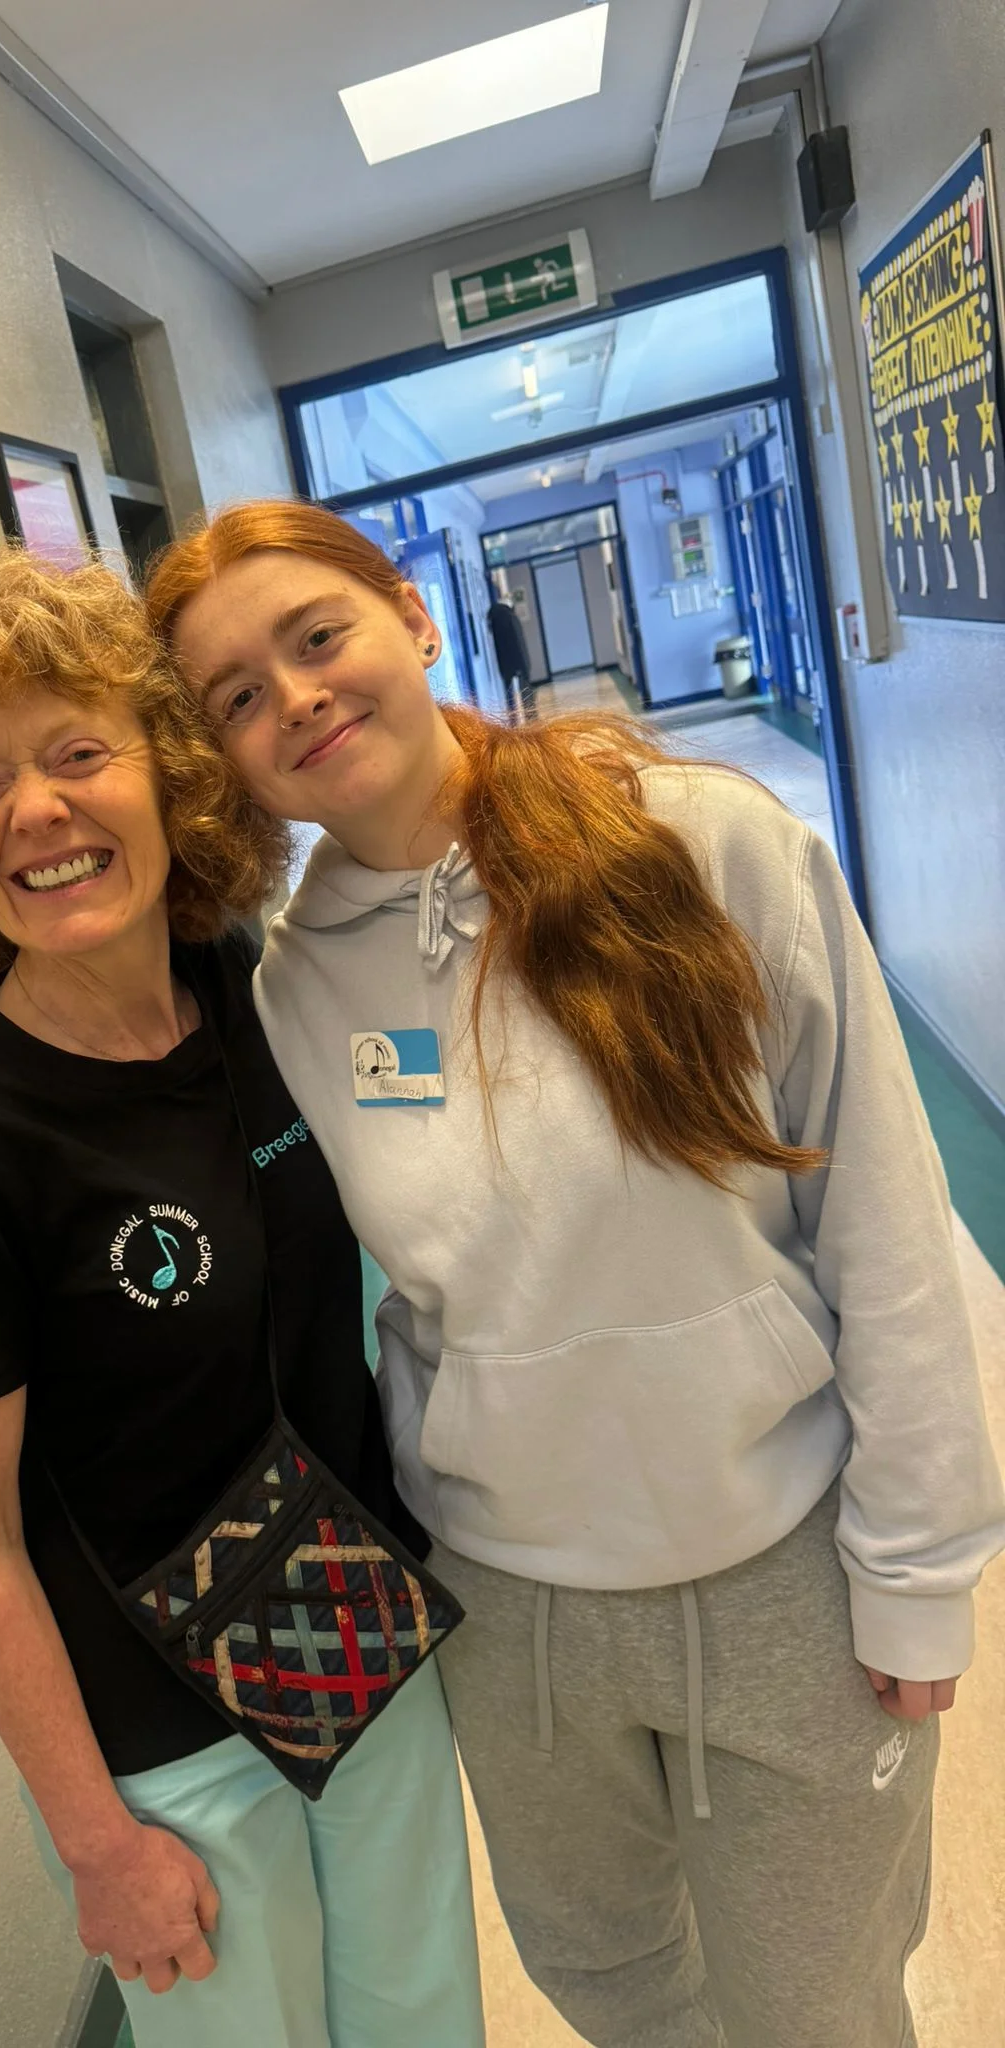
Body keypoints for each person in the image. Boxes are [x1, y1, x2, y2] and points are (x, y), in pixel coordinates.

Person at [146, 500, 1005, 2048]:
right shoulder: (288, 989)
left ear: (413, 618)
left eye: (318, 637)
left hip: (784, 1568)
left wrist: (919, 1571)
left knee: (818, 2008)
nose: (298, 699)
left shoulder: (699, 843)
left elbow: (882, 1215)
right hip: (514, 1607)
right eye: (238, 696)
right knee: (613, 1987)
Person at [0, 549, 482, 2048]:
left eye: (79, 755)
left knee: (424, 2025)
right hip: (166, 1747)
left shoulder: (244, 986)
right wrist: (96, 1845)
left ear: (171, 777)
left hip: (355, 1637)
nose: (38, 811)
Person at [484, 590, 533, 720]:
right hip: (518, 661)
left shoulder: (494, 617)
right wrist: (525, 665)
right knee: (525, 689)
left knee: (508, 691)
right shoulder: (510, 617)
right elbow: (519, 641)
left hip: (504, 662)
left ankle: (512, 716)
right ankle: (529, 715)